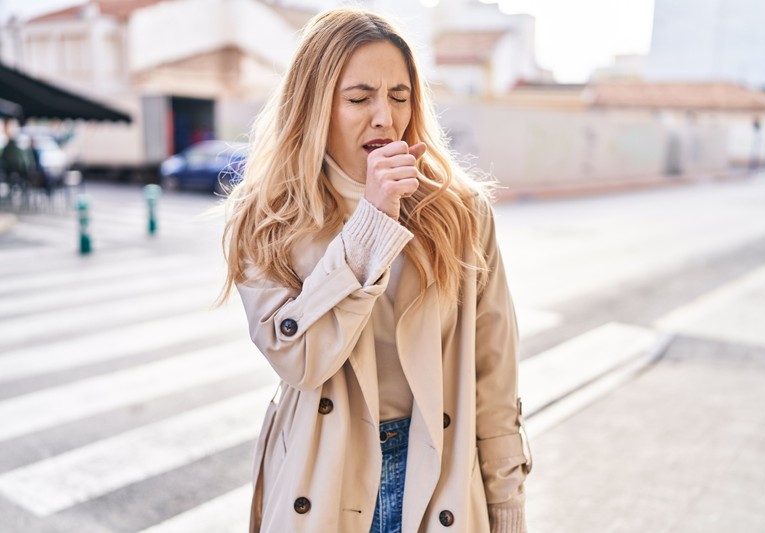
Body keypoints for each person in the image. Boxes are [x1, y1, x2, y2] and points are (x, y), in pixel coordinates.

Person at [219, 7, 531, 532]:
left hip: (439, 474)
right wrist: (372, 220)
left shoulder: (459, 211)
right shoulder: (267, 216)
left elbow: (493, 371)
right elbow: (297, 358)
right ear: (313, 105)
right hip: (322, 476)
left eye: (400, 97)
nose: (384, 117)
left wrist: (506, 501)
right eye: (360, 98)